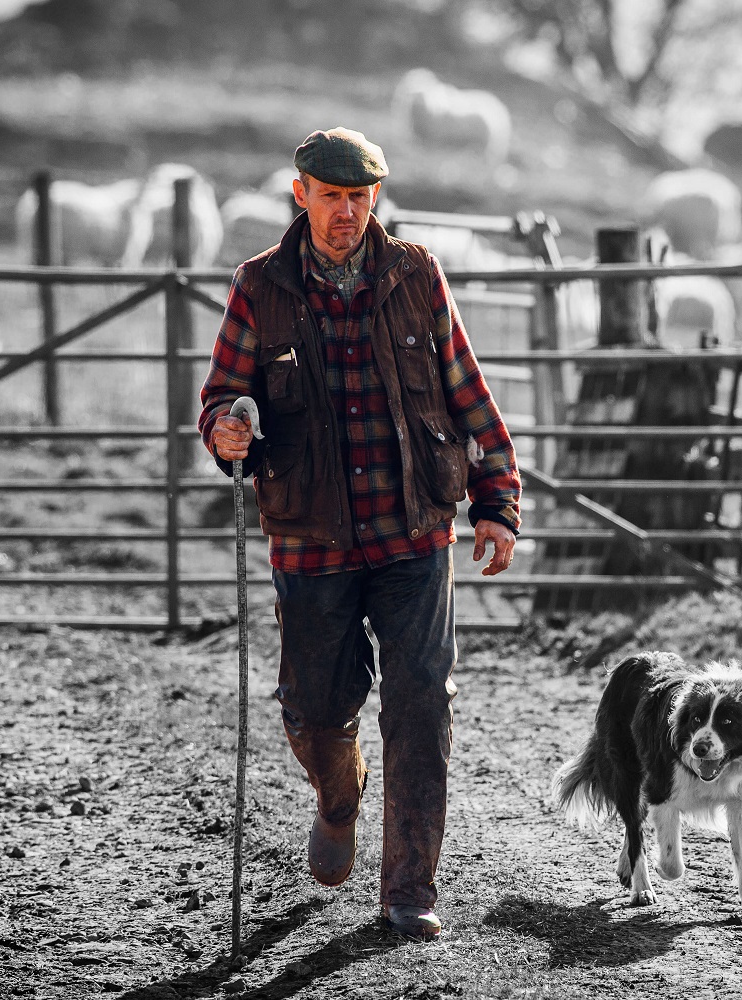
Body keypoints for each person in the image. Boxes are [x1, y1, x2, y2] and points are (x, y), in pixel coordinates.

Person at [198, 127, 520, 941]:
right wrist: (225, 432)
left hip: (413, 530)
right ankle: (338, 800)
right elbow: (221, 398)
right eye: (332, 197)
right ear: (300, 194)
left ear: (377, 197)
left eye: (360, 197)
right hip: (311, 538)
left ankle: (409, 888)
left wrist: (496, 501)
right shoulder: (258, 287)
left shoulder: (417, 277)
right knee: (313, 710)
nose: (347, 213)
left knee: (421, 703)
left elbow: (468, 397)